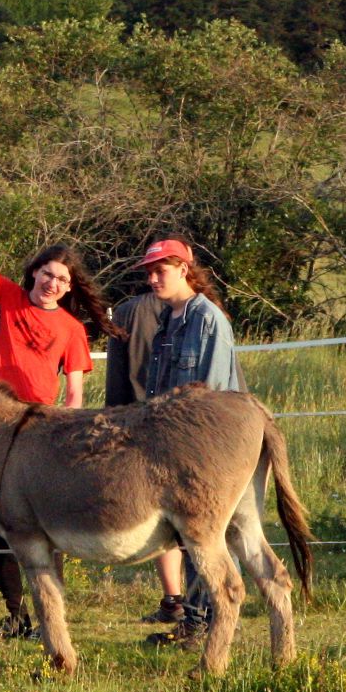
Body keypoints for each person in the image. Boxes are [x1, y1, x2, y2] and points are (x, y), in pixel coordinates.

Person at [0, 169, 123, 639]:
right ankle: (15, 613)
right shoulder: (5, 296)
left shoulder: (73, 331)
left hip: (42, 431)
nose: (53, 282)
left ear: (68, 286)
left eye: (62, 279)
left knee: (43, 525)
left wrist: (73, 432)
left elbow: (76, 391)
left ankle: (48, 617)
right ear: (33, 272)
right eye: (47, 273)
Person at [102, 237, 243, 649]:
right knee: (192, 537)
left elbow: (211, 397)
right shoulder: (168, 319)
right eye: (148, 271)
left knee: (208, 538)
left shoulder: (207, 319)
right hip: (173, 447)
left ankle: (209, 623)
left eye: (160, 269)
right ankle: (198, 622)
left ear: (184, 268)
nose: (152, 278)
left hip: (204, 449)